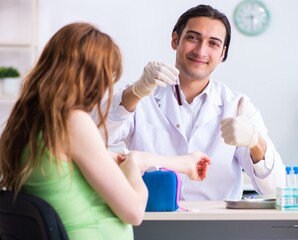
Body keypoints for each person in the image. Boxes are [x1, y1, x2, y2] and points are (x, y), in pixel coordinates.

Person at [0, 23, 211, 239]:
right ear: (89, 75)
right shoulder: (74, 122)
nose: (106, 87)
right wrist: (135, 166)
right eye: (108, 76)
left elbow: (114, 158)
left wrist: (183, 162)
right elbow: (134, 211)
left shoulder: (29, 123)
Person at [106, 4, 286, 201]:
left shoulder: (238, 107)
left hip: (217, 225)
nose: (201, 51)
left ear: (222, 54)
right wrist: (135, 92)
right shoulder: (140, 95)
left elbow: (278, 190)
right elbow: (97, 137)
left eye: (213, 44)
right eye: (193, 38)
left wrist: (255, 141)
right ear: (175, 40)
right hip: (150, 220)